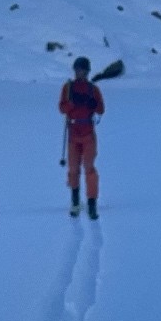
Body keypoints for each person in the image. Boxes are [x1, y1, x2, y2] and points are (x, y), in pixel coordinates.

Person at [59, 56, 104, 218]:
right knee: (73, 169)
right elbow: (62, 108)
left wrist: (92, 104)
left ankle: (91, 203)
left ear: (87, 72)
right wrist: (72, 104)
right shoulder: (68, 88)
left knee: (89, 168)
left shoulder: (93, 89)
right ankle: (75, 202)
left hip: (88, 134)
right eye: (78, 70)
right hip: (73, 133)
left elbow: (101, 109)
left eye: (83, 70)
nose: (80, 73)